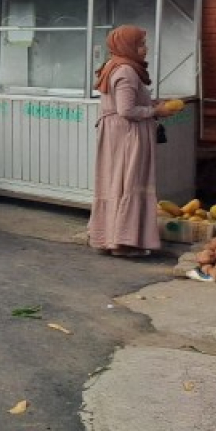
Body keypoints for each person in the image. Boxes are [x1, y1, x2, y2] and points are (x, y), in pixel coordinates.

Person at [89, 25, 176, 257]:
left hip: (117, 134)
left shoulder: (114, 65)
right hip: (128, 135)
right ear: (127, 46)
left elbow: (127, 101)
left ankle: (112, 238)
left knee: (117, 183)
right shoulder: (126, 70)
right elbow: (126, 110)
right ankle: (123, 243)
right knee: (130, 182)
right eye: (140, 44)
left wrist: (154, 103)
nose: (145, 49)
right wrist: (156, 111)